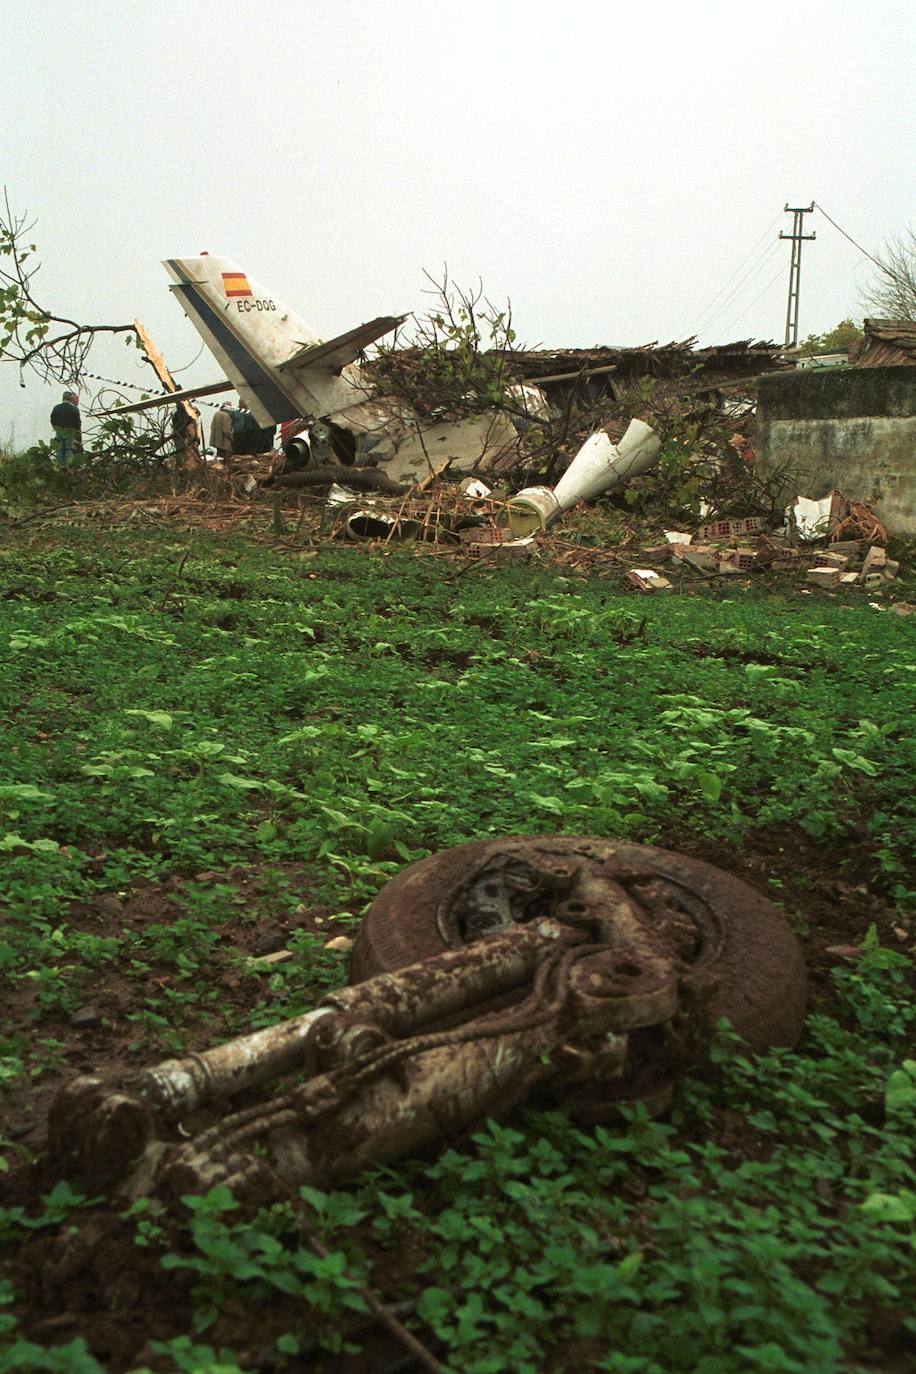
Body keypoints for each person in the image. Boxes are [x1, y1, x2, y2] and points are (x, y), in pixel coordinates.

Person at [50, 390, 82, 465]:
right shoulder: (74, 409)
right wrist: (76, 431)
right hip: (70, 434)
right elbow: (78, 424)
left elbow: (52, 419)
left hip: (59, 432)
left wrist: (56, 428)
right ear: (71, 399)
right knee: (69, 450)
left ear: (63, 398)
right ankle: (68, 467)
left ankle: (59, 465)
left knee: (59, 450)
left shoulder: (56, 408)